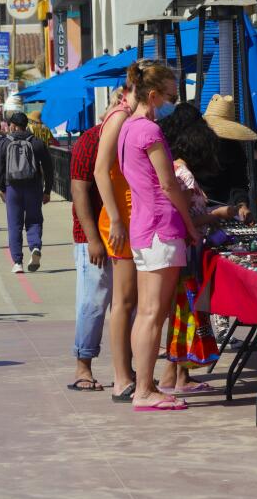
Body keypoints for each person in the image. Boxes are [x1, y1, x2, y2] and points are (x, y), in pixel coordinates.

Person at [118, 61, 199, 412]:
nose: (172, 100)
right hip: (161, 227)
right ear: (153, 95)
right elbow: (167, 184)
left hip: (144, 226)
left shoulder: (125, 128)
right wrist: (192, 226)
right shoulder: (149, 131)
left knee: (146, 313)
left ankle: (144, 385)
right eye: (170, 95)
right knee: (154, 312)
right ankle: (145, 390)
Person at [156, 99, 253, 394]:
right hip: (186, 252)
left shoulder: (176, 171)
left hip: (182, 251)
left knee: (182, 314)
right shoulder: (183, 175)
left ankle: (176, 374)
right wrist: (218, 214)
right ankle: (175, 375)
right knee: (185, 314)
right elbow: (187, 220)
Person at [93, 84, 138, 403]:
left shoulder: (124, 115)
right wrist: (116, 218)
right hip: (123, 219)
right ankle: (122, 377)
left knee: (130, 301)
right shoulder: (120, 117)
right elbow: (99, 170)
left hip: (130, 217)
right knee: (123, 300)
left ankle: (128, 372)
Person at [67, 106, 115, 393]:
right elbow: (79, 190)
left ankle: (127, 368)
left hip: (125, 235)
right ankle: (82, 367)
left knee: (126, 305)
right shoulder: (90, 140)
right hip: (94, 236)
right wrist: (92, 238)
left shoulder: (129, 138)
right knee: (92, 302)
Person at [0, 111, 54, 274]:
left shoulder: (5, 143)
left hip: (12, 188)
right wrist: (47, 190)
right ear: (26, 124)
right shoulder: (36, 142)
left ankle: (17, 262)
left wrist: (2, 188)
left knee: (14, 224)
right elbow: (49, 168)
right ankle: (35, 246)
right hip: (33, 187)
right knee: (34, 220)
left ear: (12, 125)